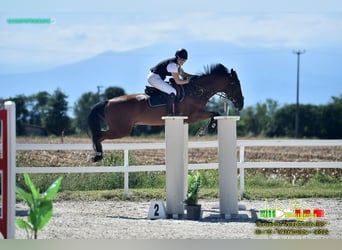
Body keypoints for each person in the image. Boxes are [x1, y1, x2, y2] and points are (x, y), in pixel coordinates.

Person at [147, 48, 193, 115]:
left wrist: (195, 77)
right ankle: (169, 113)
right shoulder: (172, 65)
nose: (182, 61)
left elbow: (183, 74)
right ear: (177, 57)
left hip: (156, 77)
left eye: (184, 60)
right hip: (153, 78)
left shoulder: (177, 65)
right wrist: (189, 81)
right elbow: (178, 81)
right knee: (173, 91)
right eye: (180, 59)